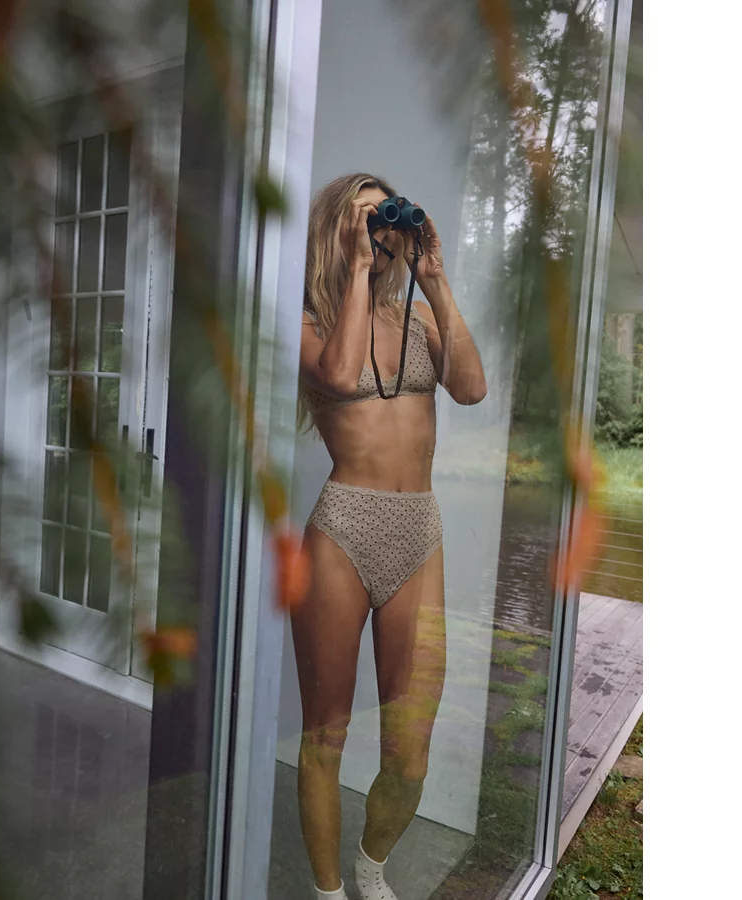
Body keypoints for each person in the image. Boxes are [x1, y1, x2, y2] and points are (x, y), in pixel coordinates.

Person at [294, 172, 487, 900]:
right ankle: (327, 893)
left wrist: (433, 279)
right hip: (344, 529)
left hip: (418, 532)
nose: (380, 229)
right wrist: (355, 272)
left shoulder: (420, 319)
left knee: (410, 751)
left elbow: (470, 388)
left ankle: (371, 866)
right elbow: (342, 377)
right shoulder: (310, 322)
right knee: (325, 736)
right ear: (337, 229)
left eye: (387, 217)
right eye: (364, 217)